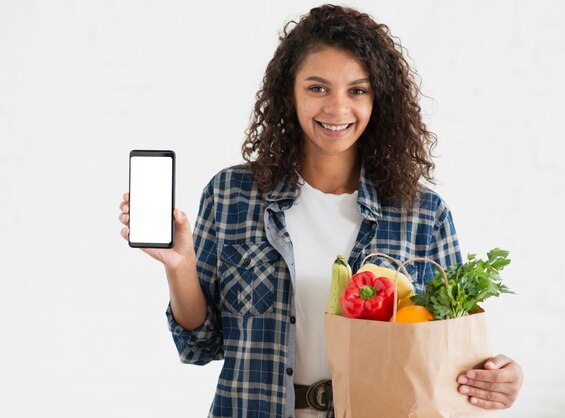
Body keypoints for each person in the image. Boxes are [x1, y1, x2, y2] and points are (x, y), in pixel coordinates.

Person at [119, 4, 523, 417]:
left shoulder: (423, 214)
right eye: (317, 88)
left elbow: (449, 354)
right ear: (288, 93)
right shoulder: (231, 195)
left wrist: (499, 378)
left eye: (357, 90)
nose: (337, 108)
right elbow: (198, 346)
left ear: (378, 99)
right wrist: (179, 264)